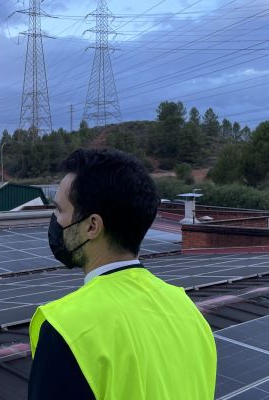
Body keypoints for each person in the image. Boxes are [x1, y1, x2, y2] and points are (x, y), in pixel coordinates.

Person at [28, 149, 216, 400]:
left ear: (92, 226)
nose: (54, 220)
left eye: (60, 210)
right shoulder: (190, 313)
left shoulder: (65, 329)